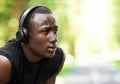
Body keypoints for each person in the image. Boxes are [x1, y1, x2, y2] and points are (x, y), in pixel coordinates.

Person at [0, 5, 65, 84]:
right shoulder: (5, 63)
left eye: (55, 31)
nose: (54, 38)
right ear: (24, 35)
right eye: (45, 31)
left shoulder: (57, 58)